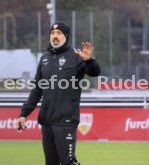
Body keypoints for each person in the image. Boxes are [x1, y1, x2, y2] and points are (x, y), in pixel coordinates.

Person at [17, 22, 101, 165]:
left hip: (66, 120)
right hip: (47, 120)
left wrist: (89, 61)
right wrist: (24, 114)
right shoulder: (44, 58)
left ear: (66, 36)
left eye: (59, 33)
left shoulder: (75, 56)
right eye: (52, 33)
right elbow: (37, 90)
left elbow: (94, 72)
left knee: (68, 162)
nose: (55, 36)